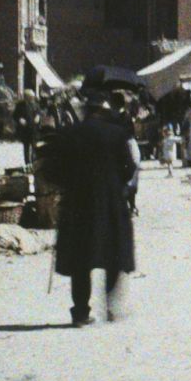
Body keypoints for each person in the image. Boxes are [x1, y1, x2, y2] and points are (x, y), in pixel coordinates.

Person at [42, 92, 140, 327]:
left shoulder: (69, 134)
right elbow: (129, 168)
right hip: (110, 202)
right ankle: (110, 305)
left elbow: (50, 170)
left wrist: (69, 184)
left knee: (80, 259)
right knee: (113, 254)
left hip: (78, 203)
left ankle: (80, 312)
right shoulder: (117, 134)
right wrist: (115, 183)